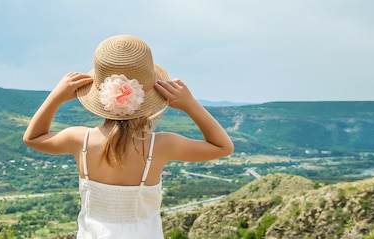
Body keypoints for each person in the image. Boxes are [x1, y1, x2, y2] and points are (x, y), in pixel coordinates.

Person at [23, 35, 234, 239]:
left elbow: (33, 137)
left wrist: (56, 97)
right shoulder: (161, 145)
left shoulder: (80, 140)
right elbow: (223, 146)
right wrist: (190, 104)